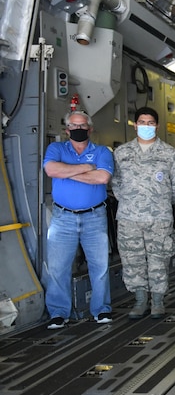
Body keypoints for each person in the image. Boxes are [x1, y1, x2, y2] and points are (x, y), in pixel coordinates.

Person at [112, 107, 175, 320]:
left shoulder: (169, 153)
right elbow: (115, 182)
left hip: (159, 217)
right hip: (129, 217)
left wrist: (161, 202)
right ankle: (140, 300)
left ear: (157, 126)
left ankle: (158, 301)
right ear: (135, 125)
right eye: (142, 122)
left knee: (158, 259)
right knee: (132, 259)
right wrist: (130, 200)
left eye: (150, 122)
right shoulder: (122, 153)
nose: (146, 126)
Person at [42, 110, 114, 329]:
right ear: (67, 130)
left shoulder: (102, 151)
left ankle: (101, 309)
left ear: (90, 129)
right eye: (73, 126)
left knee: (99, 266)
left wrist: (67, 172)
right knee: (57, 268)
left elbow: (102, 177)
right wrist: (85, 168)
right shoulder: (56, 149)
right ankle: (58, 313)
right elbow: (50, 169)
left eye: (82, 126)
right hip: (63, 217)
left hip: (94, 217)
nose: (78, 129)